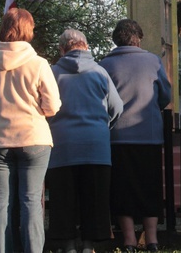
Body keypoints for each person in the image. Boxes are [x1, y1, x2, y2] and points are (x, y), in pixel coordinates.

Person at [0, 8, 62, 253]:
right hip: (34, 139)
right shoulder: (39, 63)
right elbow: (52, 106)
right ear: (28, 30)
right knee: (31, 201)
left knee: (0, 201)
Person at [46, 29, 124, 253]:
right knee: (95, 199)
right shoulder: (100, 72)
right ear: (86, 46)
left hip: (62, 145)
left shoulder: (53, 73)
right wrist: (102, 125)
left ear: (62, 49)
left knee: (63, 199)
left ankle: (69, 245)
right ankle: (89, 246)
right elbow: (117, 108)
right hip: (96, 145)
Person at [99, 19, 172, 252]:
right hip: (148, 134)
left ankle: (129, 240)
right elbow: (165, 95)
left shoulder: (105, 65)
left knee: (122, 189)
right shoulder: (152, 61)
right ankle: (152, 240)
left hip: (117, 136)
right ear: (138, 38)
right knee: (150, 187)